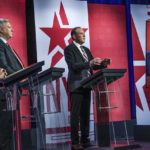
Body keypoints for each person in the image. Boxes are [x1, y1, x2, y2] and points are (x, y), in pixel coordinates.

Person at [64, 27, 110, 150]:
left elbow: (92, 67)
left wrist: (102, 64)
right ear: (73, 36)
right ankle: (74, 142)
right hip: (76, 86)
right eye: (81, 34)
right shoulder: (69, 49)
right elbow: (73, 66)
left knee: (85, 115)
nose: (84, 36)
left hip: (87, 84)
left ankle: (84, 140)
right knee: (75, 115)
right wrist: (89, 63)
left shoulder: (86, 50)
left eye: (84, 34)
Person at [0, 18, 23, 150]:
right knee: (4, 132)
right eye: (9, 27)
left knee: (9, 131)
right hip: (4, 94)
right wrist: (21, 77)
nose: (12, 29)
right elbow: (4, 65)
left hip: (12, 94)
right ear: (1, 29)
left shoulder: (6, 46)